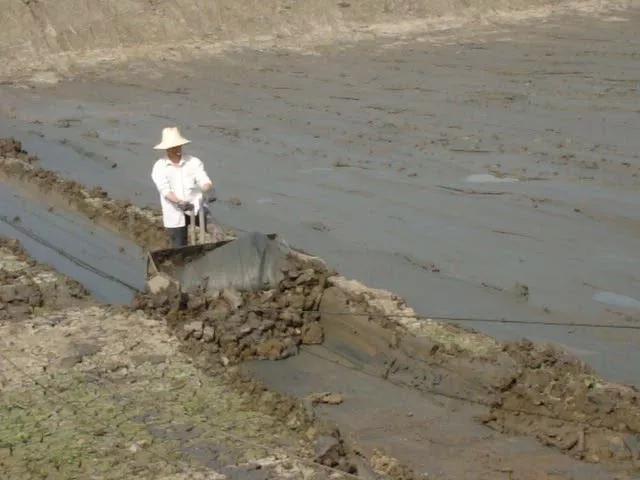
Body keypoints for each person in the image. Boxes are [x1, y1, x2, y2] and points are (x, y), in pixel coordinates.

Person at [151, 126, 215, 247]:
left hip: (197, 207)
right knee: (180, 248)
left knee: (217, 233)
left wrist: (208, 188)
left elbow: (202, 178)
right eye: (172, 147)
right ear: (166, 148)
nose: (176, 149)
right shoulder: (159, 167)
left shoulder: (193, 162)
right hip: (175, 211)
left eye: (178, 146)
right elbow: (165, 190)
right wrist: (179, 202)